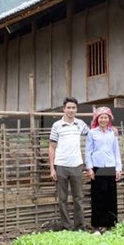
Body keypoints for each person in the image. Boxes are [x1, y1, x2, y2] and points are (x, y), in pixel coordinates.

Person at [49, 97, 89, 231]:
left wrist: (111, 129)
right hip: (61, 165)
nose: (71, 110)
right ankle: (66, 226)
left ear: (76, 109)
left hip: (77, 165)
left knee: (78, 198)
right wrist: (52, 168)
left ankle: (80, 227)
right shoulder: (57, 125)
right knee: (62, 198)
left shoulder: (80, 124)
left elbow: (93, 134)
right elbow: (52, 147)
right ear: (64, 109)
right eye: (69, 108)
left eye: (73, 108)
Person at [85, 106, 122, 233]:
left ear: (109, 119)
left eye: (106, 117)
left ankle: (110, 224)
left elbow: (116, 151)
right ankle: (96, 226)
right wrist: (89, 168)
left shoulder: (113, 133)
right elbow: (88, 152)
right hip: (97, 167)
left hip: (110, 166)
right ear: (97, 119)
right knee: (98, 197)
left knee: (110, 197)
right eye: (101, 117)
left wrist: (118, 168)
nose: (103, 119)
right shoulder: (92, 133)